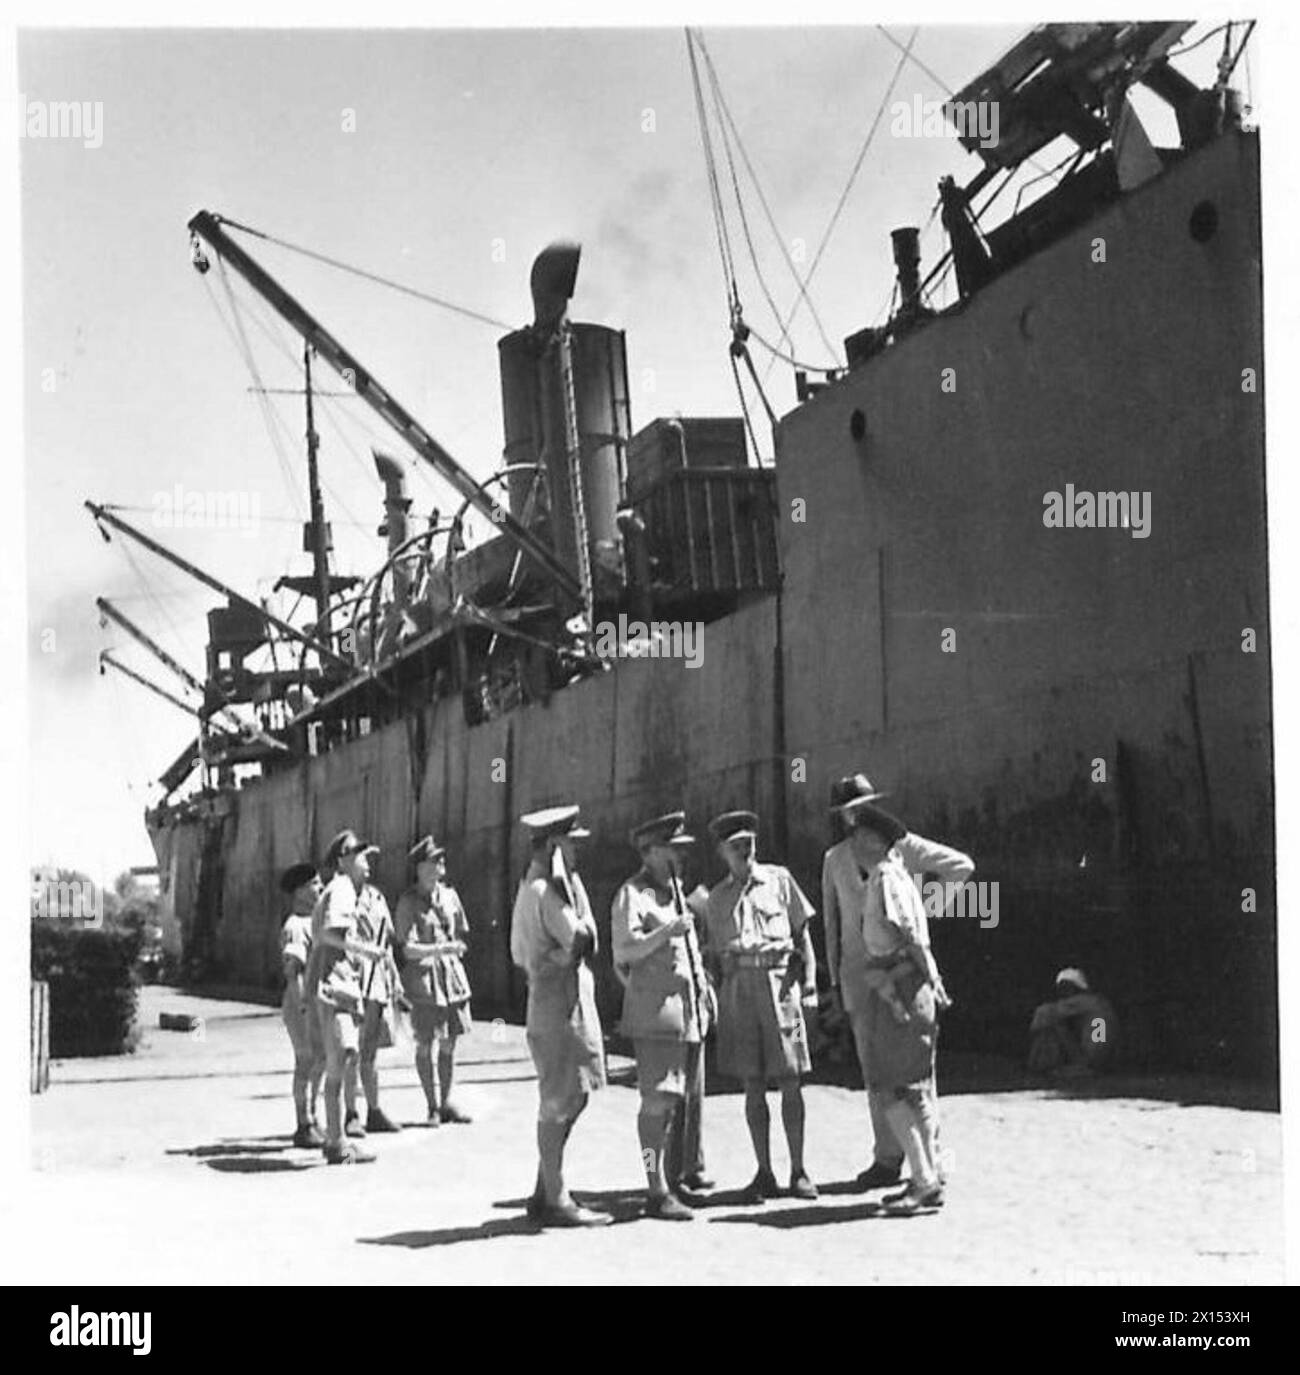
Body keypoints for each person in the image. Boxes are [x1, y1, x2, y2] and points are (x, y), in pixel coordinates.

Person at [822, 774, 974, 1195]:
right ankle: (887, 1157)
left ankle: (932, 1161)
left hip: (903, 972)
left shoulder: (900, 846)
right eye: (848, 811)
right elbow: (832, 923)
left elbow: (961, 868)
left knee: (918, 1071)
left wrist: (919, 920)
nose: (855, 817)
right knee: (875, 1069)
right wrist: (834, 980)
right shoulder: (835, 859)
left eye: (864, 807)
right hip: (859, 977)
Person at [702, 810, 818, 1203]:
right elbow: (712, 959)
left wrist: (811, 984)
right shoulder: (716, 901)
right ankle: (764, 1171)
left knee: (791, 1078)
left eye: (749, 842)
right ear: (722, 851)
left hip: (780, 984)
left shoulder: (780, 880)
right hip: (739, 989)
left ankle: (799, 1170)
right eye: (735, 845)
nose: (745, 850)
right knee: (752, 1082)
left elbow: (804, 936)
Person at [611, 810, 716, 1221]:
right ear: (650, 851)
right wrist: (664, 934)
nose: (681, 857)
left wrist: (703, 988)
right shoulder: (632, 894)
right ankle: (655, 1189)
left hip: (686, 1014)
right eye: (673, 849)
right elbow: (624, 952)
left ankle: (670, 1182)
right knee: (656, 1103)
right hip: (655, 1015)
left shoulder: (675, 893)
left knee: (675, 1103)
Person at [510, 804, 610, 1228]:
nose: (577, 850)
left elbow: (587, 941)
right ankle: (556, 1197)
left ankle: (545, 1186)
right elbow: (584, 938)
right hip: (558, 1007)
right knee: (558, 1100)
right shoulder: (545, 893)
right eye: (570, 842)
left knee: (576, 1094)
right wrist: (572, 939)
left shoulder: (550, 887)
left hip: (565, 1003)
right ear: (553, 845)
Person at [309, 830, 389, 1164]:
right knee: (340, 1058)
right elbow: (330, 933)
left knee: (339, 1061)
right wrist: (366, 950)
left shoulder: (342, 890)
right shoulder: (342, 888)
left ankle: (336, 1140)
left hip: (337, 984)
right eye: (361, 856)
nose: (367, 862)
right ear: (344, 859)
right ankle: (338, 1141)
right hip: (335, 984)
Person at [394, 835, 474, 1125]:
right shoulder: (408, 902)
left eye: (441, 861)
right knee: (426, 1044)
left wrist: (455, 949)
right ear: (419, 868)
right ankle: (431, 1105)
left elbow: (460, 931)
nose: (439, 866)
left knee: (450, 1043)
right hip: (424, 983)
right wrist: (443, 949)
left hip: (451, 980)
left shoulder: (450, 896)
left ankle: (446, 1101)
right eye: (433, 862)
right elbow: (407, 949)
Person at [349, 835, 403, 1136]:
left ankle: (373, 1109)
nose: (368, 866)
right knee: (349, 1050)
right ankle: (349, 1113)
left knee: (369, 1049)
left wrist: (394, 982)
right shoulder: (339, 896)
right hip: (352, 979)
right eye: (362, 859)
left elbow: (387, 943)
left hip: (377, 980)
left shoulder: (376, 897)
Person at [279, 861, 325, 1148]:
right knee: (305, 1060)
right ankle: (302, 1123)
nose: (320, 888)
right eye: (314, 884)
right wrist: (304, 1007)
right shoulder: (296, 926)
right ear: (300, 891)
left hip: (318, 1001)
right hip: (302, 1003)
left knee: (320, 1059)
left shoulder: (317, 922)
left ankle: (312, 1115)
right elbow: (293, 971)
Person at [1029, 968, 1119, 1077]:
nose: (1060, 992)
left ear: (1071, 986)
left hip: (1090, 1060)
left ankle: (1040, 1066)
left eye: (1063, 986)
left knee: (1051, 1023)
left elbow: (1044, 1012)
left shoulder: (1082, 1002)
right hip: (1104, 1058)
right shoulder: (1098, 1002)